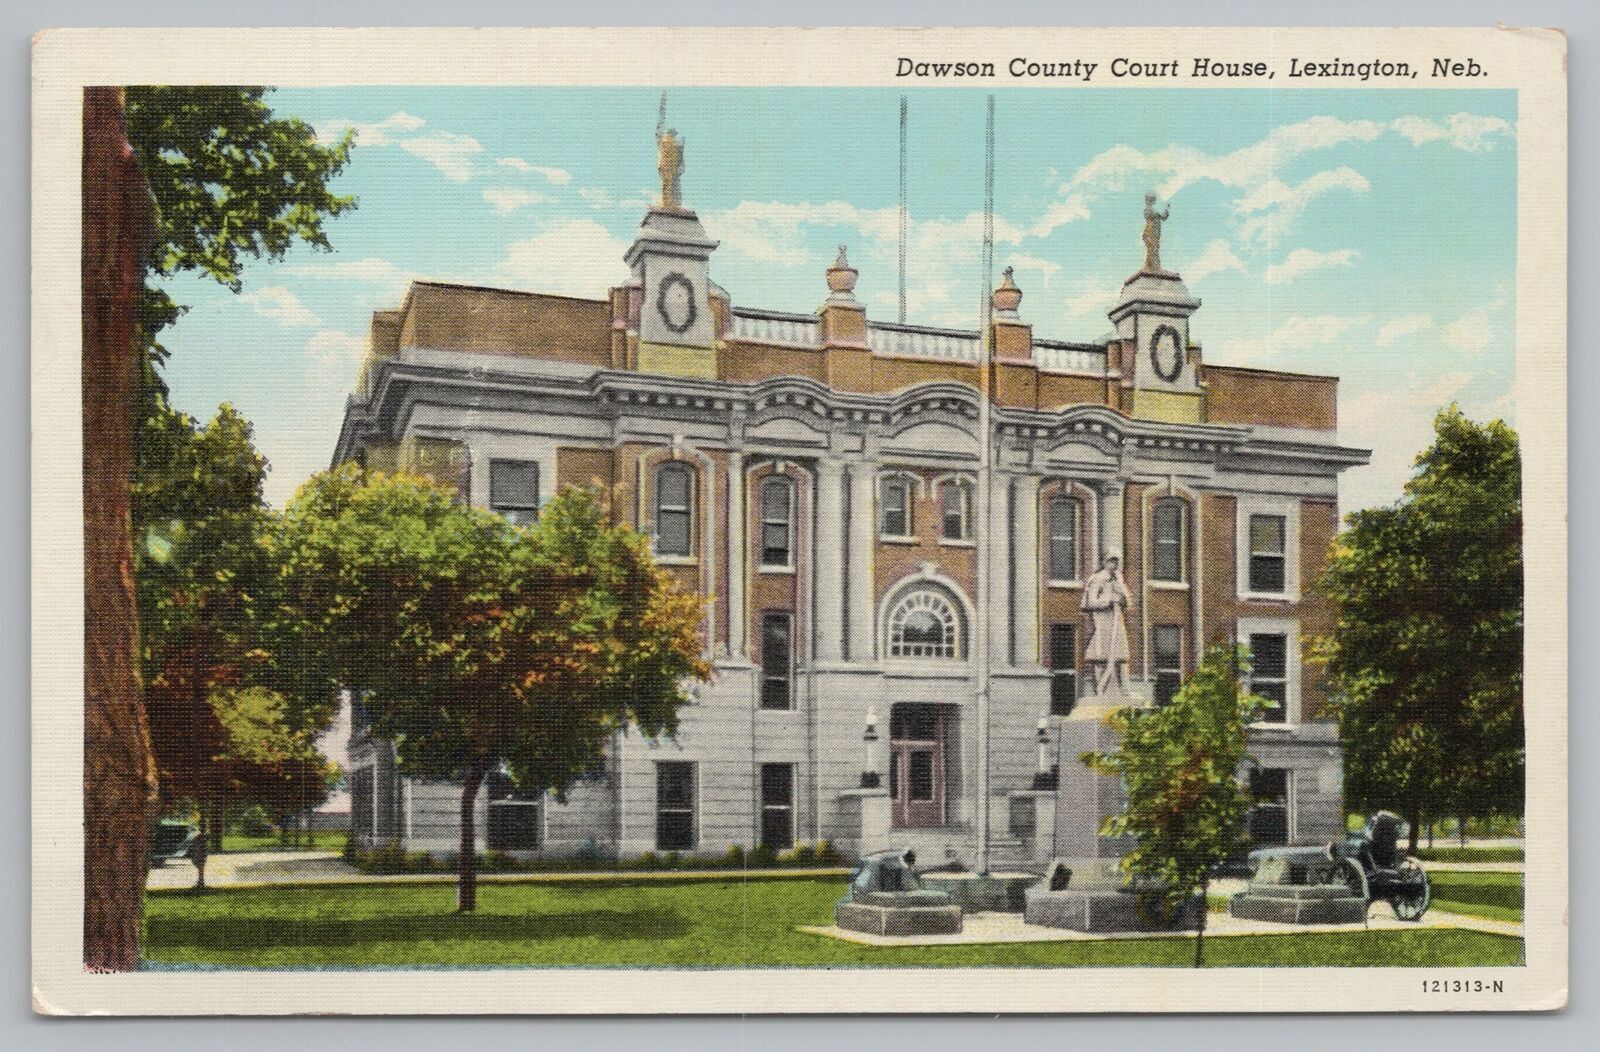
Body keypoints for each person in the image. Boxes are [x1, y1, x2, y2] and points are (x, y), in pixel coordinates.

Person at [1082, 551, 1131, 696]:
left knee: (1121, 657)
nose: (1114, 565)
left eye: (1116, 562)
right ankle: (1100, 690)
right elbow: (1089, 602)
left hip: (1117, 623)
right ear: (1104, 562)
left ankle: (1124, 690)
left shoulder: (1118, 579)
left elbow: (1127, 601)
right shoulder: (1097, 579)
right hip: (1103, 624)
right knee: (1100, 657)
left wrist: (1122, 598)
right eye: (1111, 561)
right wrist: (1109, 601)